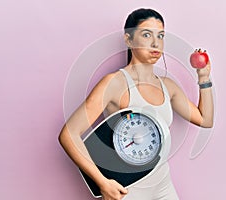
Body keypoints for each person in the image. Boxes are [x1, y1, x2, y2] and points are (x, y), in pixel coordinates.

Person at [59, 8, 214, 200]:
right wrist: (102, 183)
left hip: (163, 185)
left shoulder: (168, 85)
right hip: (128, 191)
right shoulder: (114, 83)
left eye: (161, 35)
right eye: (147, 34)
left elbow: (205, 120)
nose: (156, 43)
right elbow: (69, 134)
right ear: (128, 39)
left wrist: (204, 78)